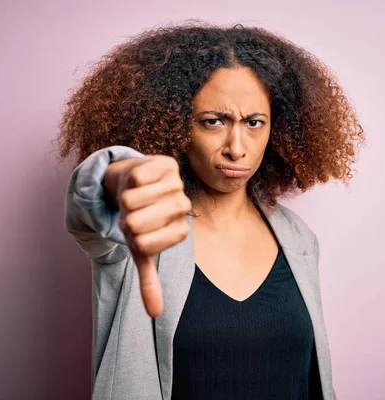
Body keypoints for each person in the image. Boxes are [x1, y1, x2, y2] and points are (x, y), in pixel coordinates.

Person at [59, 22, 363, 400]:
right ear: (173, 125)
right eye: (213, 121)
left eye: (254, 123)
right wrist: (121, 173)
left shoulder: (297, 238)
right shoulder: (140, 227)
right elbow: (88, 202)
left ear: (278, 129)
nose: (237, 147)